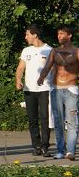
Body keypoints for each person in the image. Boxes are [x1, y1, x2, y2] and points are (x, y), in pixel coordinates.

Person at [37, 25, 78, 160]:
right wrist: (41, 77)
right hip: (56, 89)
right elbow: (47, 66)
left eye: (62, 34)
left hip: (71, 89)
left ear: (69, 35)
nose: (59, 36)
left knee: (72, 122)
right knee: (58, 122)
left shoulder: (77, 51)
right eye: (58, 34)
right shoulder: (54, 51)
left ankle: (70, 151)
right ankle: (60, 150)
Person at [16, 24, 52, 156]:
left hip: (45, 89)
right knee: (32, 119)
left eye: (27, 34)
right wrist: (18, 79)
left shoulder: (49, 50)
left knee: (45, 118)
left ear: (35, 35)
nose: (25, 37)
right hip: (29, 90)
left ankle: (45, 146)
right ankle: (36, 146)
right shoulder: (26, 51)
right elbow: (20, 68)